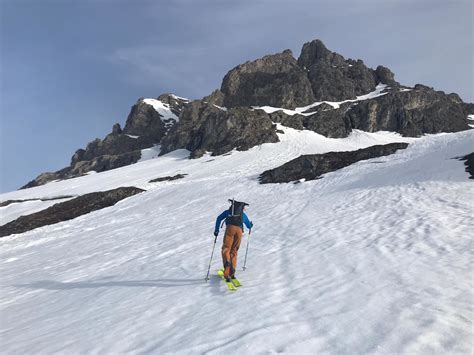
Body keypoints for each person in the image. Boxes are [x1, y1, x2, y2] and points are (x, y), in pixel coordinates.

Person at [214, 200, 253, 282]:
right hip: (239, 231)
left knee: (226, 248)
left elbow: (219, 218)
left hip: (230, 229)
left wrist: (216, 230)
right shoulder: (242, 215)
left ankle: (227, 265)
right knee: (234, 251)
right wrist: (251, 225)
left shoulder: (228, 212)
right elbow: (249, 225)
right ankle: (232, 271)